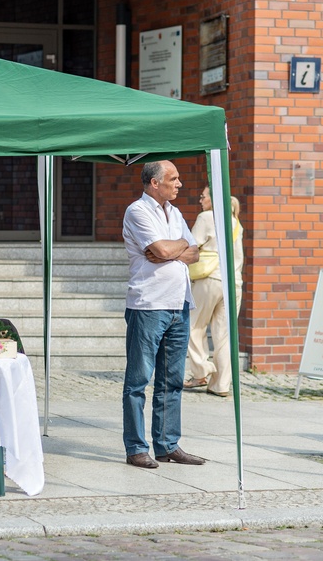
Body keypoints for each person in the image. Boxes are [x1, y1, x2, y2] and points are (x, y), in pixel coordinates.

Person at [121, 160, 205, 469]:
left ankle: (167, 444)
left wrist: (175, 246)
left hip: (179, 304)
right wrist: (172, 249)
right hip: (149, 305)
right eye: (174, 179)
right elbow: (161, 249)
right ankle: (135, 447)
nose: (179, 184)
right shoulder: (137, 211)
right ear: (155, 183)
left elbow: (193, 253)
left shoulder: (176, 213)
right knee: (138, 381)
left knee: (172, 381)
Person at [184, 189, 244, 397]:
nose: (200, 200)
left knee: (192, 325)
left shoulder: (206, 217)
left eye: (203, 196)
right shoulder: (235, 222)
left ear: (214, 198)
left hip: (209, 279)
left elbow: (191, 245)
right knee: (224, 336)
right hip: (233, 283)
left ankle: (201, 371)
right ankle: (221, 385)